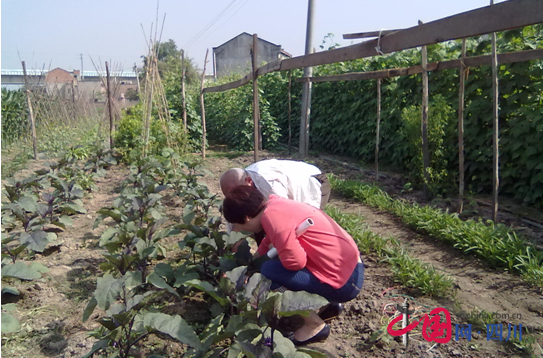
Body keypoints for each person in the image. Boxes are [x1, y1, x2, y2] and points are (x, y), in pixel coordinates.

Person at [222, 185, 364, 346]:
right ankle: (329, 305)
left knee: (269, 271)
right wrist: (249, 267)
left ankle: (315, 326)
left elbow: (296, 262)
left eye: (236, 225)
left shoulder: (272, 218)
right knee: (270, 263)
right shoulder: (275, 206)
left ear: (246, 218)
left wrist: (268, 263)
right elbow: (269, 241)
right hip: (350, 267)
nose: (237, 229)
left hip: (346, 283)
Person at [220, 159, 330, 211]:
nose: (236, 199)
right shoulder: (243, 183)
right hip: (287, 189)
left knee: (306, 224)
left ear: (249, 181)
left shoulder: (269, 184)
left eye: (238, 193)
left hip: (311, 181)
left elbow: (284, 214)